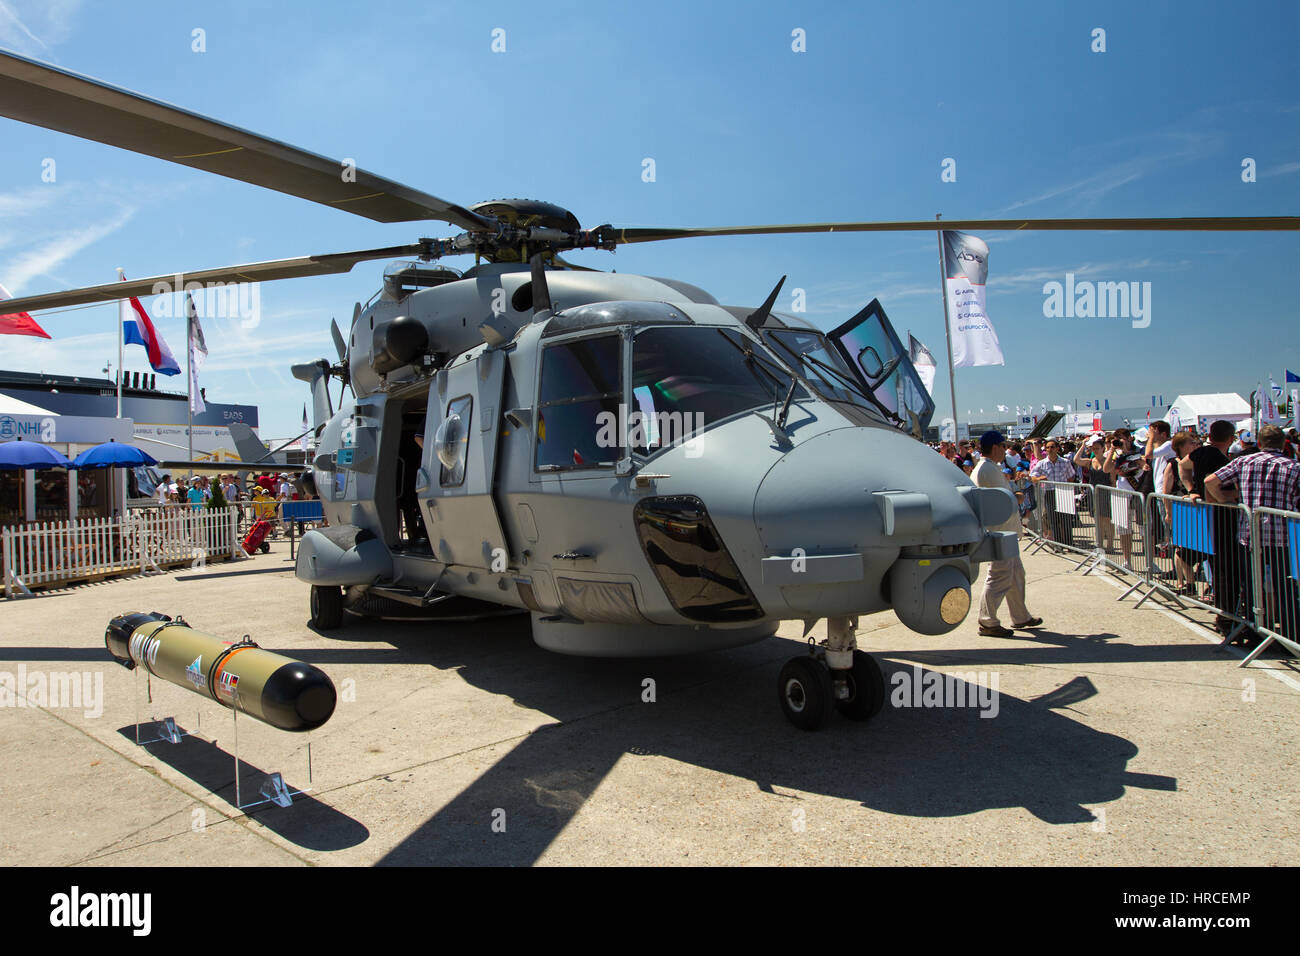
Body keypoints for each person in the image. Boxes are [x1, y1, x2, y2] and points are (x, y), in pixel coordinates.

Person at [1206, 424, 1300, 643]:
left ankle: (1255, 631)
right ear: (1284, 444)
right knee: (1284, 585)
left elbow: (1210, 481)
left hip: (1249, 533)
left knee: (1250, 585)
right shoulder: (1293, 467)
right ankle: (1289, 635)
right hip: (1282, 536)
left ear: (1259, 443)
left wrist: (1225, 500)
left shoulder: (1243, 461)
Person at [972, 431, 1042, 637]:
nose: (1005, 449)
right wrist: (1017, 498)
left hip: (1004, 532)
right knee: (1000, 576)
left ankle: (1020, 616)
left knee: (1015, 575)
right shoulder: (987, 470)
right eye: (1003, 446)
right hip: (999, 532)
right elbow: (999, 501)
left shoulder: (989, 468)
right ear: (995, 447)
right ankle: (987, 621)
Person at [1184, 420, 1245, 632]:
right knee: (1225, 568)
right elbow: (1211, 482)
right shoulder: (1216, 456)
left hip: (1210, 515)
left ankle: (1225, 615)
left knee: (1218, 565)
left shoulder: (1201, 452)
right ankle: (1227, 617)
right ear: (1231, 438)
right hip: (1221, 517)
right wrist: (1224, 498)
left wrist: (1192, 488)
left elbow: (1183, 466)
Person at [1030, 439, 1077, 547]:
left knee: (1066, 520)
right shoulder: (1042, 463)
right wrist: (1040, 478)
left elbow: (1071, 476)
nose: (1050, 450)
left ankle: (1069, 544)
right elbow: (1032, 476)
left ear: (1057, 448)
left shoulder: (1065, 462)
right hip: (1050, 492)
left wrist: (1066, 487)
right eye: (1048, 447)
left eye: (1052, 447)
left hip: (1064, 493)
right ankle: (1058, 544)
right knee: (1053, 520)